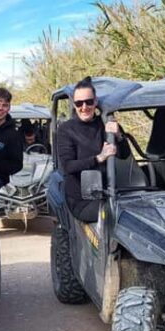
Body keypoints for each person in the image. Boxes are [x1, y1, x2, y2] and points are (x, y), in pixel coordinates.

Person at [56, 76, 130, 223]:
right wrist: (99, 158)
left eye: (89, 102)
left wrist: (118, 135)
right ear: (74, 104)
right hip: (82, 200)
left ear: (95, 101)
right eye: (79, 103)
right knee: (117, 216)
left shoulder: (105, 124)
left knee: (135, 213)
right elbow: (68, 166)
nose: (84, 107)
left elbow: (124, 154)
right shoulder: (66, 129)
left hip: (110, 193)